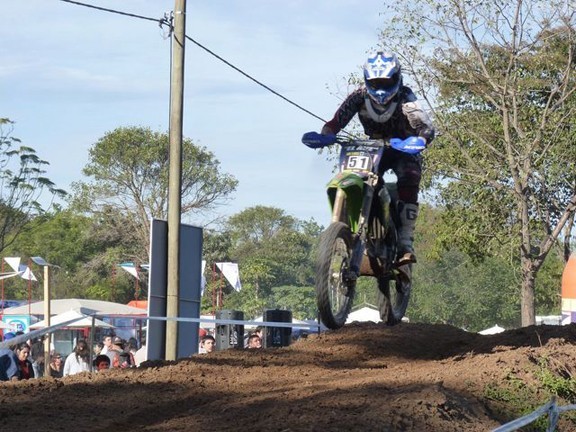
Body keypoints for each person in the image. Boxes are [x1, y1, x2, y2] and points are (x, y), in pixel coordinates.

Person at [315, 51, 435, 264]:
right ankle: (351, 226)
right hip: (372, 148)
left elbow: (425, 126)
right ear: (367, 80)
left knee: (410, 175)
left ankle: (405, 241)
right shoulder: (358, 97)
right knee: (357, 175)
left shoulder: (406, 98)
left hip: (403, 148)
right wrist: (325, 135)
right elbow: (336, 121)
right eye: (375, 82)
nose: (380, 88)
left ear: (396, 78)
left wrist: (420, 140)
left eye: (385, 82)